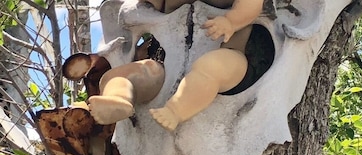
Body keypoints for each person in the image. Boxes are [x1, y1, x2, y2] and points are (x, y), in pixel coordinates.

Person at [87, 0, 262, 130]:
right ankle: (119, 98)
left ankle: (176, 110)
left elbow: (250, 6)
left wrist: (231, 21)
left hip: (226, 48)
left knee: (212, 68)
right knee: (127, 74)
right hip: (168, 59)